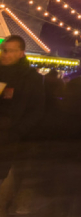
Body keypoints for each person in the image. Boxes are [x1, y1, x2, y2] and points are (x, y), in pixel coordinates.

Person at [0, 36, 43, 180]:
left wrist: (17, 131)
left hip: (8, 137)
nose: (5, 54)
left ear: (21, 53)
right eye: (4, 50)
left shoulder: (31, 78)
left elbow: (36, 109)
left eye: (11, 51)